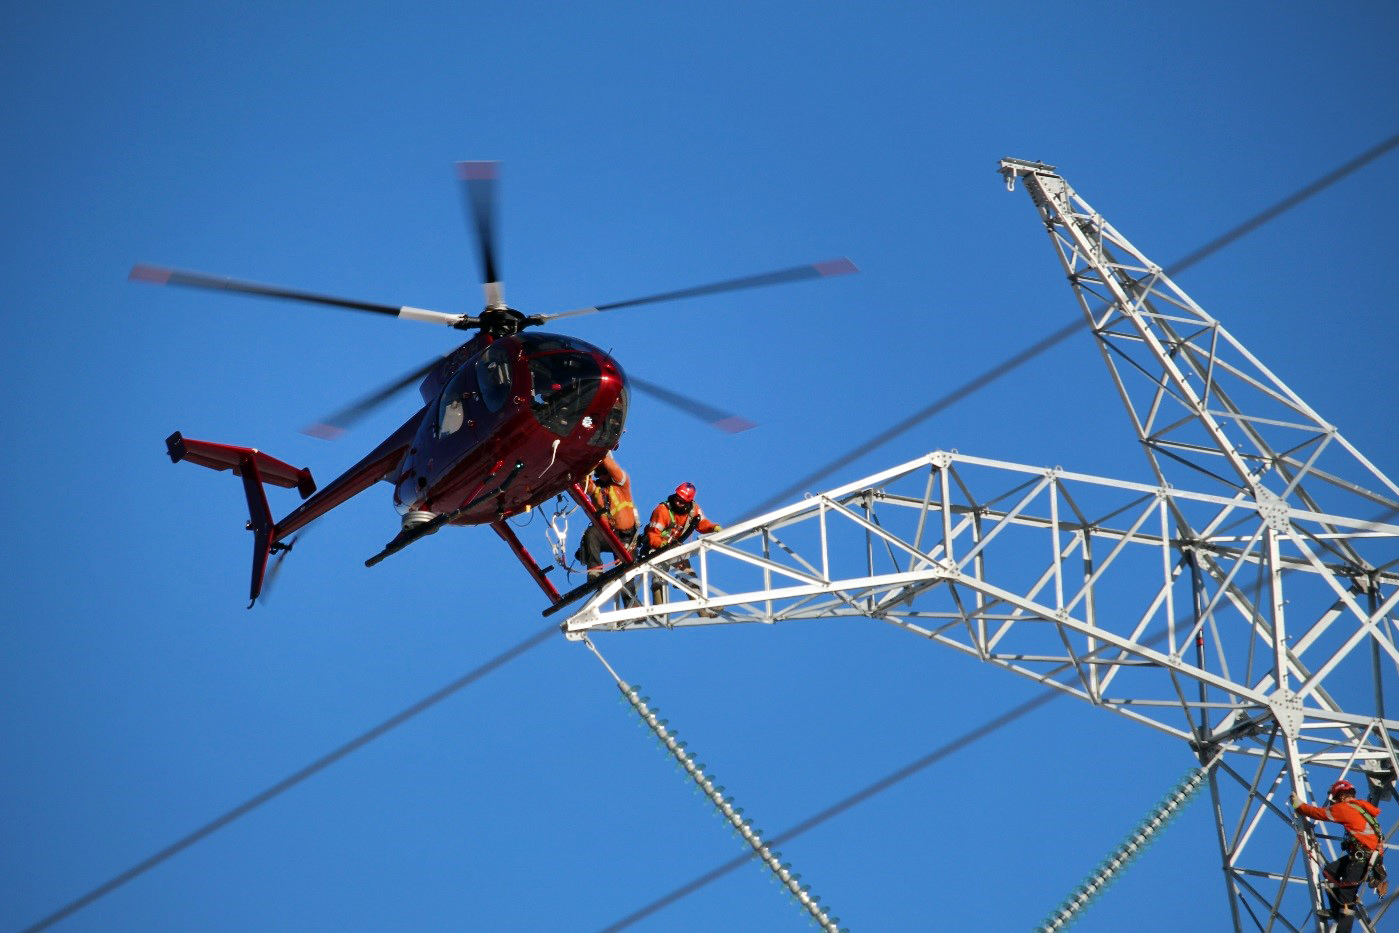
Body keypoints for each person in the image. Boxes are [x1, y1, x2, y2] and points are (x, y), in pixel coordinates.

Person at [1293, 778, 1387, 931]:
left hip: (1362, 859)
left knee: (1346, 898)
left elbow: (1318, 813)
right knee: (1330, 871)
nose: (1335, 802)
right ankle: (1336, 912)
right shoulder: (1361, 809)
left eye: (1336, 798)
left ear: (1341, 796)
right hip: (1363, 857)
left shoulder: (1344, 808)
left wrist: (1299, 806)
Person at [643, 482, 722, 606]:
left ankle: (702, 609)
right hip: (657, 549)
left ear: (688, 502)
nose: (678, 502)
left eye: (682, 501)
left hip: (675, 549)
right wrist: (661, 545)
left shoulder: (693, 510)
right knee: (658, 579)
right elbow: (652, 535)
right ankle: (659, 611)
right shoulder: (662, 510)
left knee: (689, 576)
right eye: (677, 499)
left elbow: (702, 523)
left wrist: (714, 528)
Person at [577, 451, 638, 582]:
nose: (602, 476)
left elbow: (615, 470)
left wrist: (602, 453)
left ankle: (631, 602)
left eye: (604, 471)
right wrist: (584, 463)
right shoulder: (596, 490)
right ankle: (595, 572)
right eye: (599, 473)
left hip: (627, 539)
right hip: (610, 537)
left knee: (626, 578)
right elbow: (584, 482)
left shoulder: (622, 484)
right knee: (591, 533)